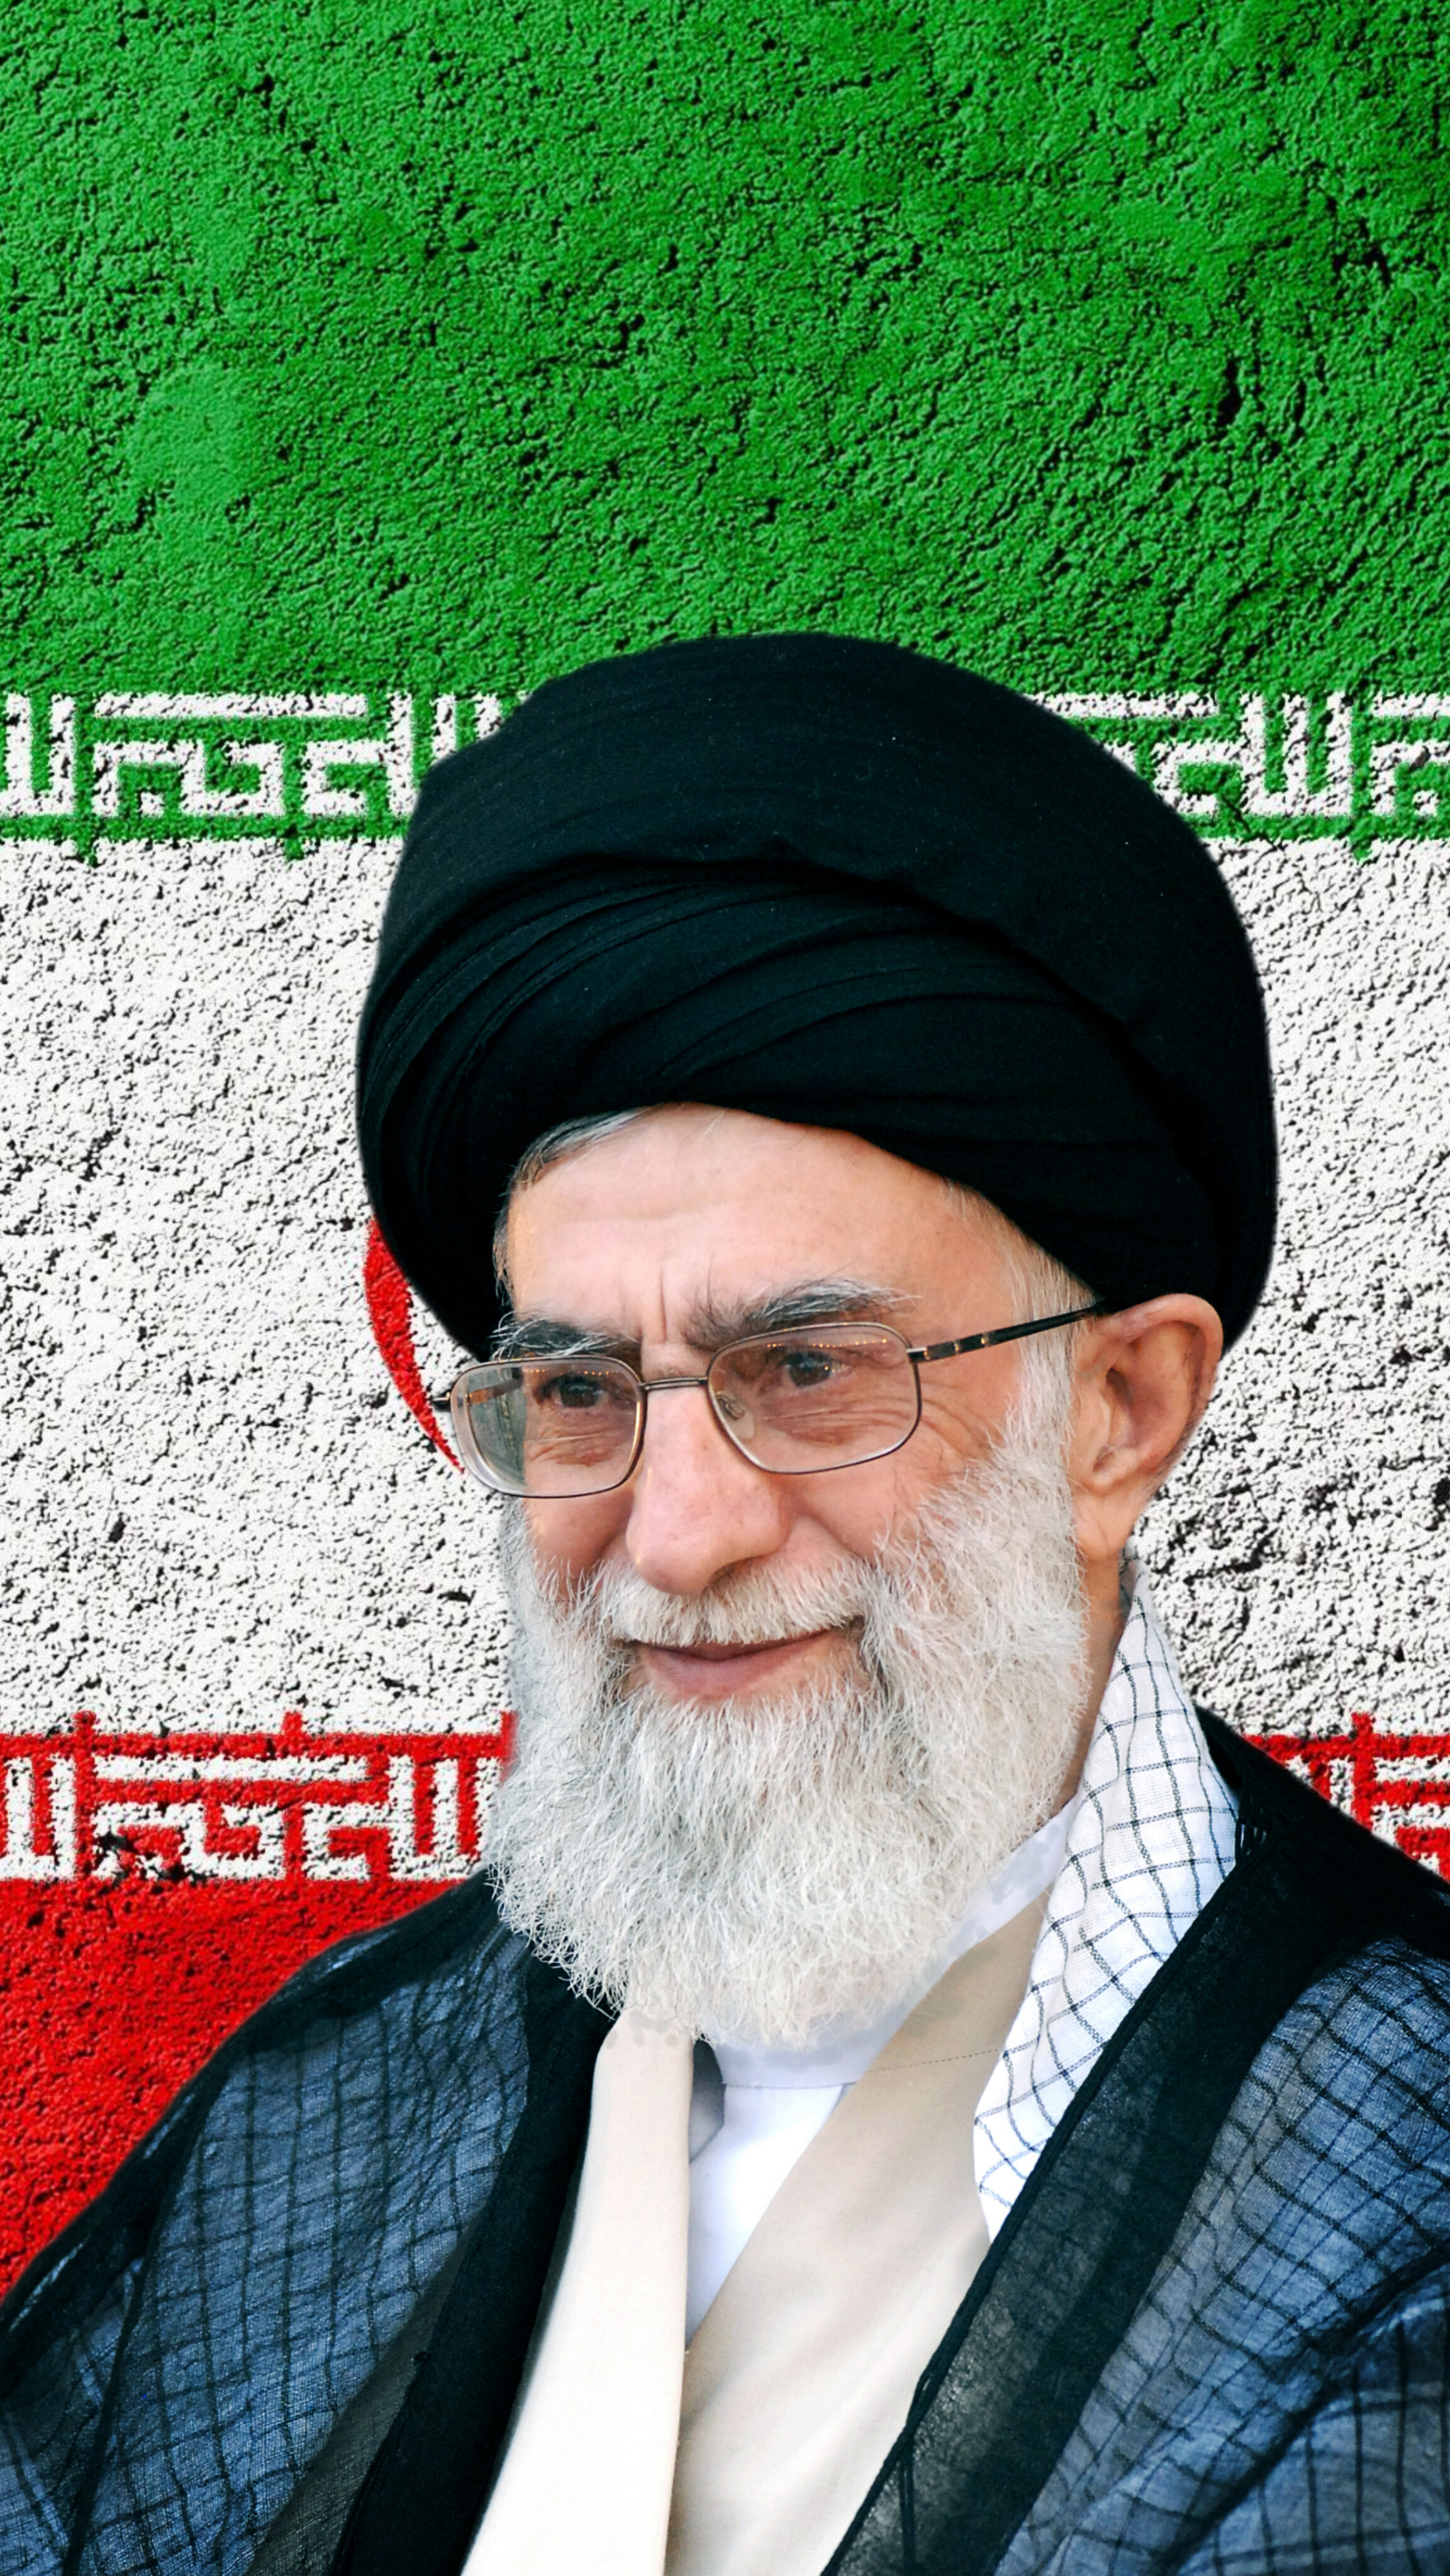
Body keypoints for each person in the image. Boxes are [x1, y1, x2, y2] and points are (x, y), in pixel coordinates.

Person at [3, 634, 1448, 2576]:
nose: (676, 1538)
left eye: (809, 1373)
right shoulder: (327, 2109)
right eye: (577, 1391)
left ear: (1117, 1412)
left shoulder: (1406, 2196)